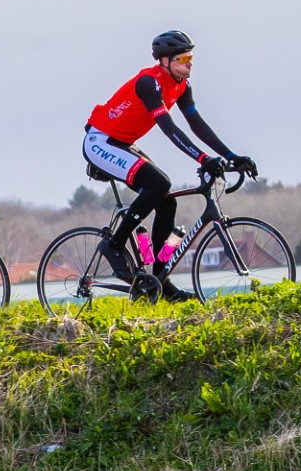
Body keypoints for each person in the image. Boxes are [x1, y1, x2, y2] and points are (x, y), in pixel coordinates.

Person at [83, 31, 257, 300]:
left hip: (123, 143)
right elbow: (168, 128)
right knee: (159, 183)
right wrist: (202, 158)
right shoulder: (148, 83)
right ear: (164, 61)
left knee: (167, 201)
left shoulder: (182, 86)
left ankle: (160, 282)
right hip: (101, 141)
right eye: (183, 58)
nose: (190, 63)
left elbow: (197, 125)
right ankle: (114, 245)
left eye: (191, 57)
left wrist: (231, 155)